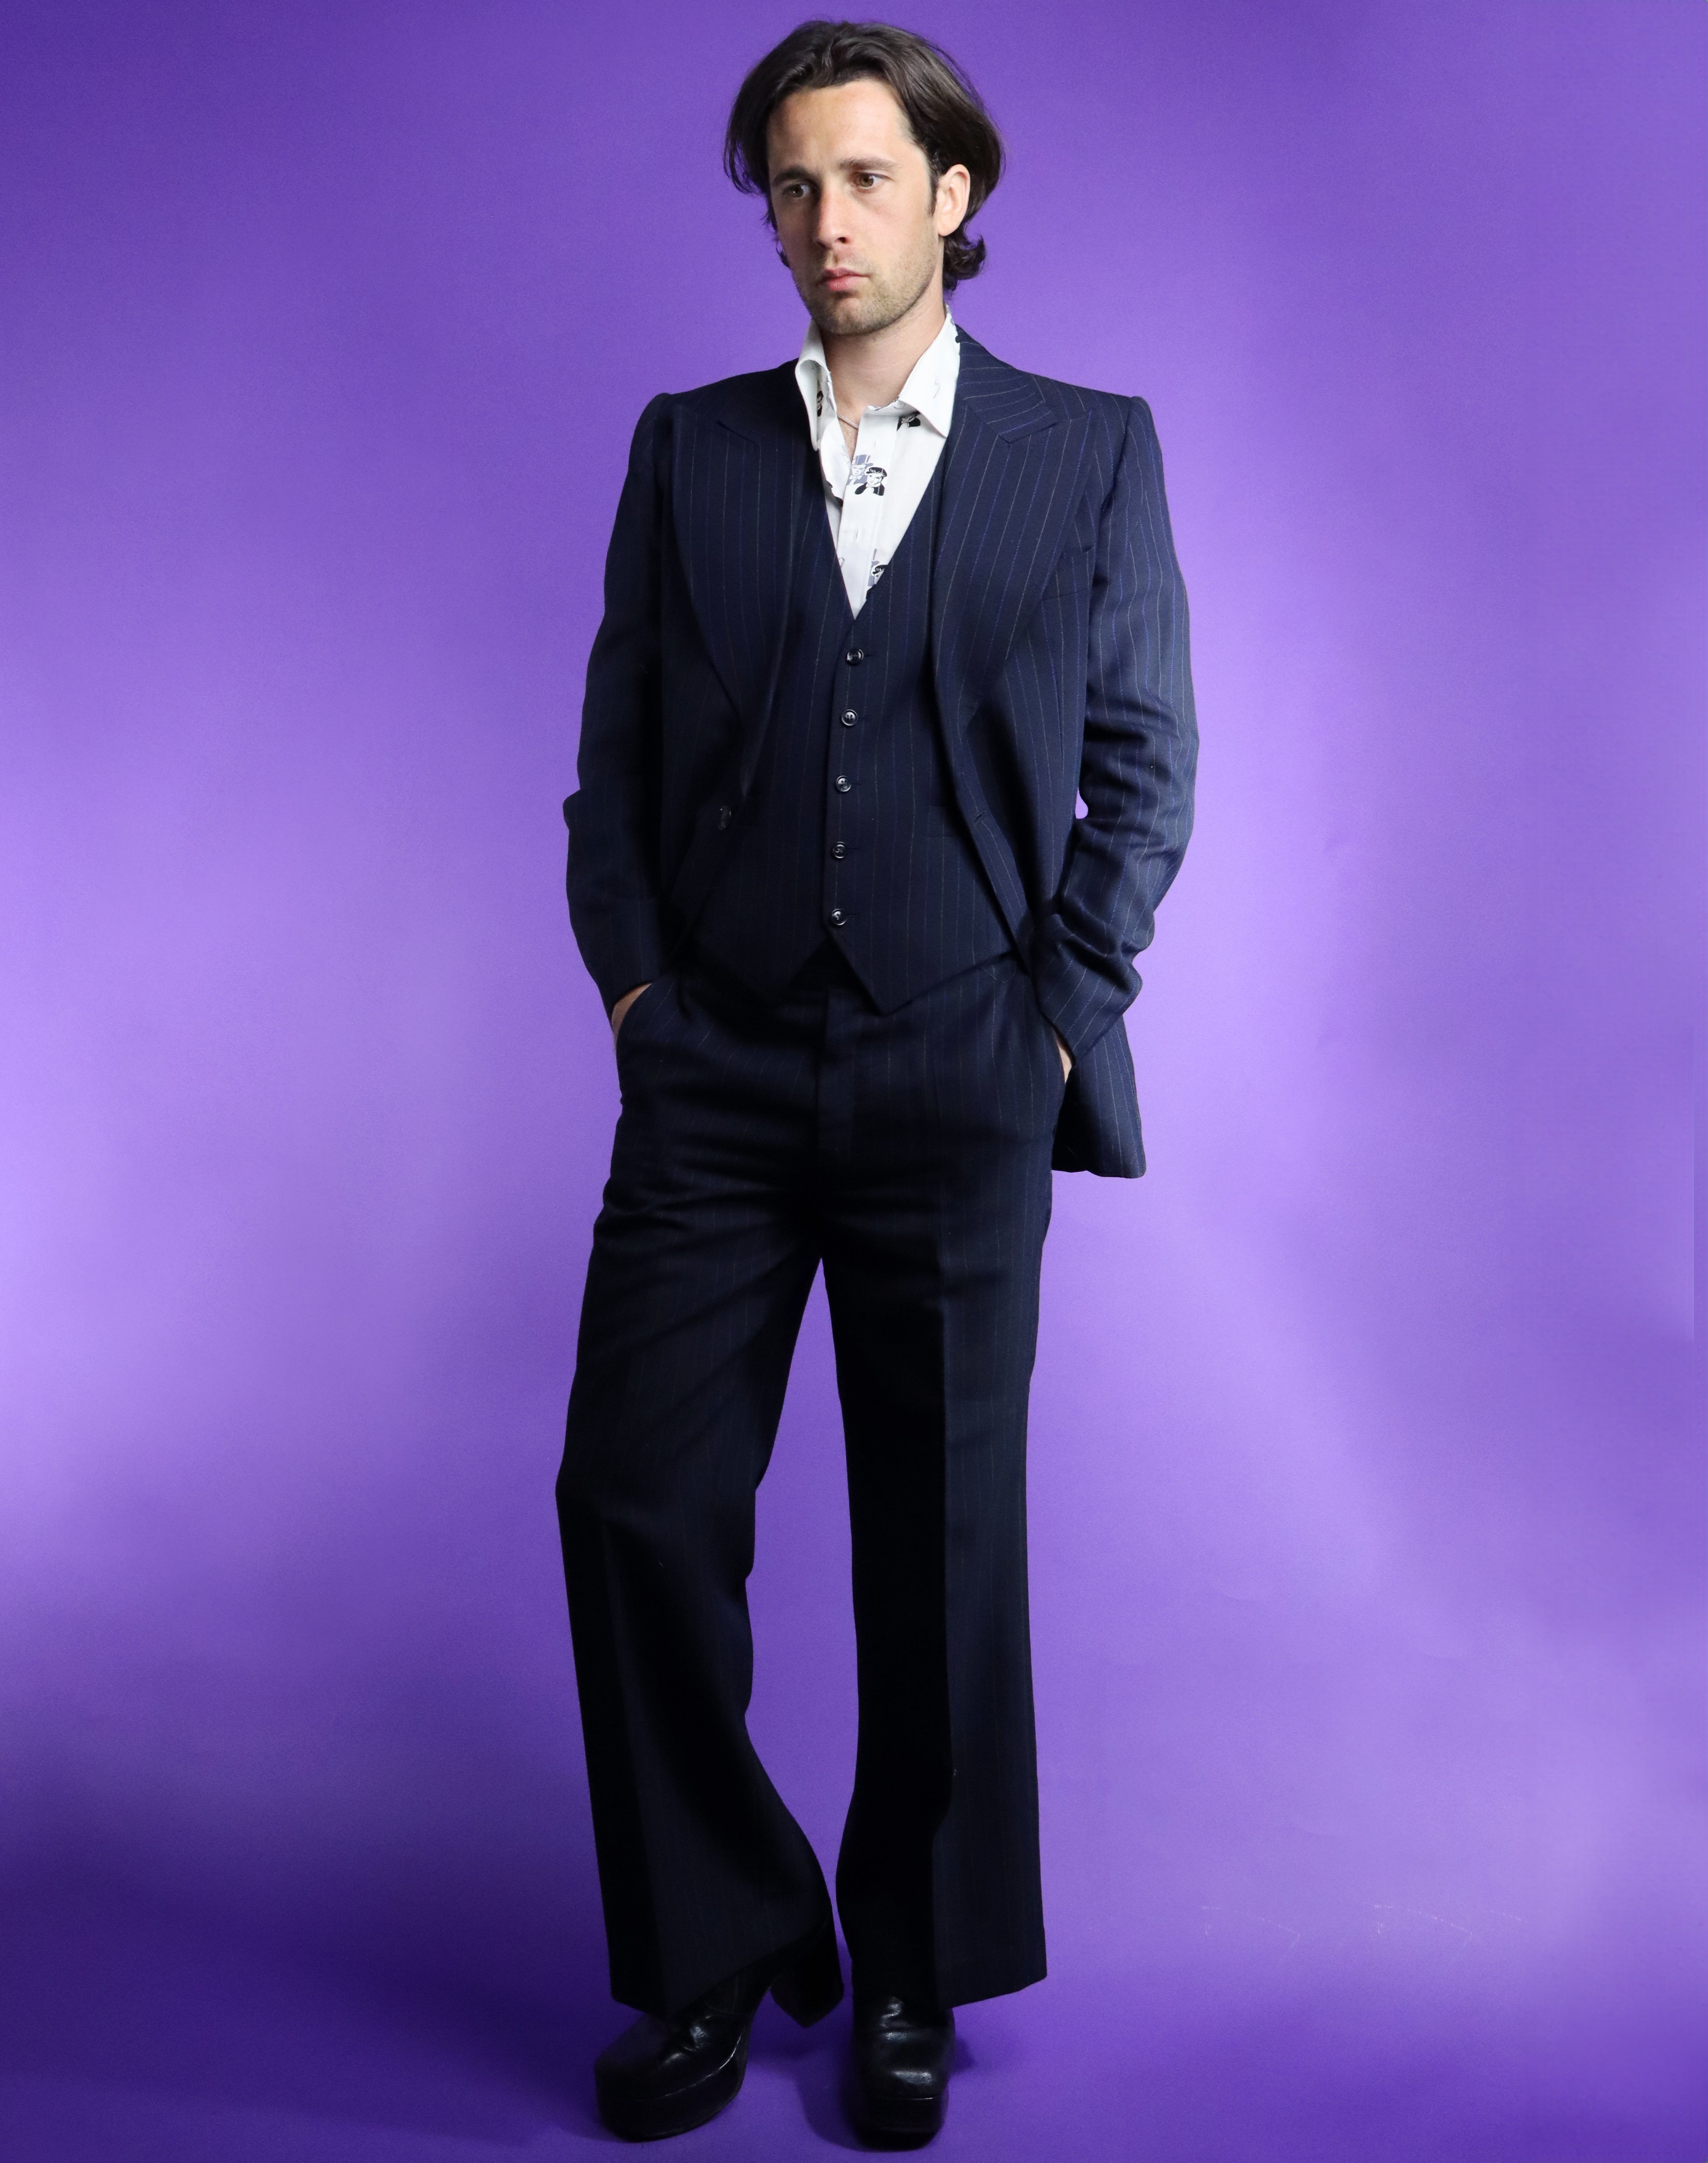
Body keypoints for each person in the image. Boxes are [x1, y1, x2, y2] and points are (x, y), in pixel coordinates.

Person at [557, 18, 1196, 2144]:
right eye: (792, 185)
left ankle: (911, 1963)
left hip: (962, 1063)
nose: (825, 220)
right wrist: (641, 1004)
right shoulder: (691, 450)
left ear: (952, 195)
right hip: (717, 1075)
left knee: (940, 1546)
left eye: (862, 178)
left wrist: (1050, 1016)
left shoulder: (1086, 450)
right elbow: (615, 770)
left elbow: (1147, 764)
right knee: (634, 1501)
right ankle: (722, 1939)